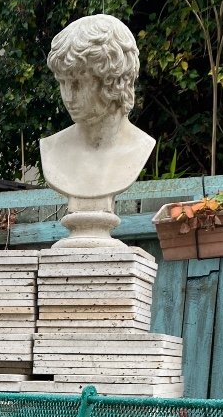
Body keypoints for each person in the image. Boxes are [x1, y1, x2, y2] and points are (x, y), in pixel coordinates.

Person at [40, 15, 155, 246]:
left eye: (78, 82)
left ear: (113, 81)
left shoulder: (140, 147)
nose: (68, 96)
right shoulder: (52, 149)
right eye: (62, 82)